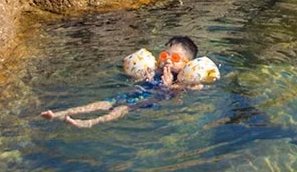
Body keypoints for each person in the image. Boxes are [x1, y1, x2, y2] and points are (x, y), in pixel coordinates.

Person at [41, 36, 218, 127]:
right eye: (165, 55)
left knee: (122, 108)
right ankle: (59, 114)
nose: (168, 60)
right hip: (136, 93)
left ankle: (89, 123)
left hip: (149, 101)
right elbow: (138, 83)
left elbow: (187, 93)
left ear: (188, 64)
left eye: (176, 58)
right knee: (104, 102)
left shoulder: (183, 80)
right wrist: (144, 78)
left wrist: (170, 85)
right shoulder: (156, 70)